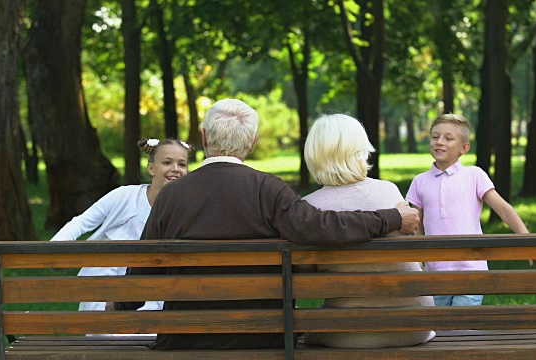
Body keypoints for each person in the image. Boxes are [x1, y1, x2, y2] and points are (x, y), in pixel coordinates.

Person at [115, 99, 421, 350]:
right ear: (252, 143)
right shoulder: (269, 191)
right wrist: (392, 217)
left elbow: (142, 275)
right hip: (262, 337)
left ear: (205, 138)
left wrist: (120, 309)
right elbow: (323, 226)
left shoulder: (171, 196)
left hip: (185, 338)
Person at [301, 113, 435, 348]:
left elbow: (304, 274)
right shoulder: (389, 192)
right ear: (361, 150)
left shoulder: (308, 208)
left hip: (348, 333)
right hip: (413, 326)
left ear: (314, 155)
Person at [405, 114, 536, 307]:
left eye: (448, 138)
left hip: (471, 268)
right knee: (439, 330)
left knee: (463, 330)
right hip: (435, 271)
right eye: (435, 136)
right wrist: (418, 260)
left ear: (464, 148)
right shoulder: (420, 181)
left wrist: (528, 241)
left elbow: (503, 209)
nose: (439, 142)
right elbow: (416, 224)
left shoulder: (474, 175)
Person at [51, 138, 192, 312]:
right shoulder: (124, 197)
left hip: (148, 296)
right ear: (151, 168)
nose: (175, 169)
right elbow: (82, 223)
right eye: (167, 162)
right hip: (103, 289)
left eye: (182, 164)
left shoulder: (185, 212)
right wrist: (54, 249)